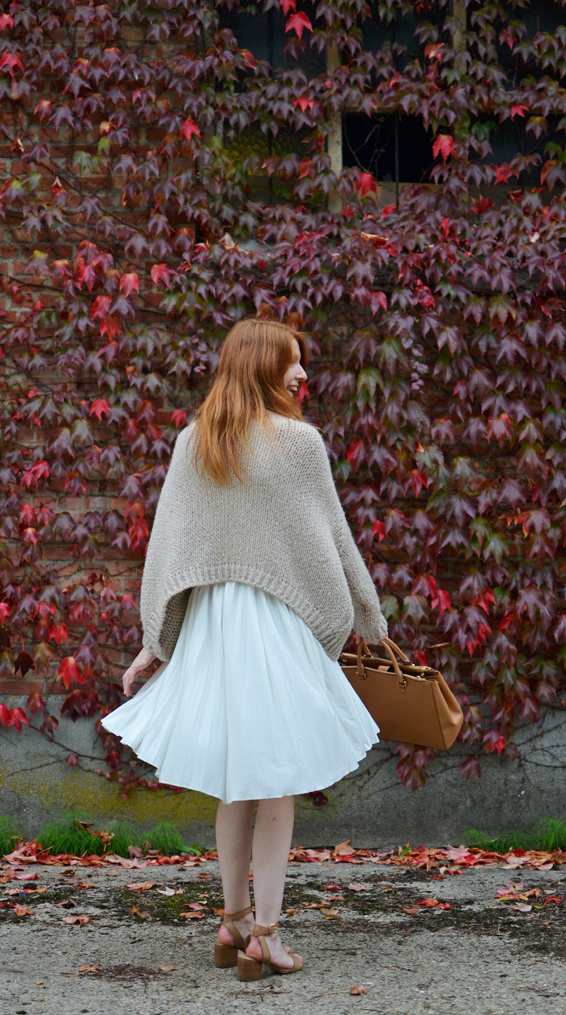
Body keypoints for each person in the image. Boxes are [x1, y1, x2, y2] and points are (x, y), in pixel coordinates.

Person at [102, 318, 387, 980]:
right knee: (277, 778)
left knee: (236, 780)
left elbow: (167, 549)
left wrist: (156, 641)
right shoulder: (298, 444)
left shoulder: (194, 440)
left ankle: (231, 921)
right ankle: (267, 933)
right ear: (262, 365)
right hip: (275, 625)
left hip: (212, 630)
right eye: (293, 363)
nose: (303, 376)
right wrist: (367, 613)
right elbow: (333, 539)